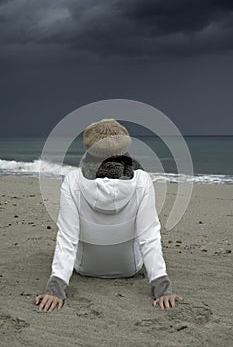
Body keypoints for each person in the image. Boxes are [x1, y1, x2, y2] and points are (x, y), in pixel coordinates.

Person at [35, 119, 183, 312]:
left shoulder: (72, 180)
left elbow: (67, 237)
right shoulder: (142, 180)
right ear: (124, 147)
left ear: (89, 148)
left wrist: (55, 289)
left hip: (84, 268)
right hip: (130, 268)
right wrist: (162, 288)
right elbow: (149, 237)